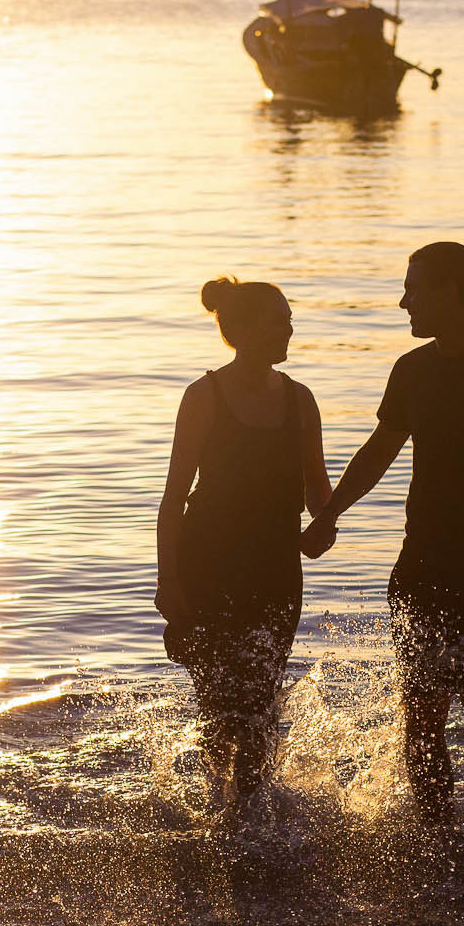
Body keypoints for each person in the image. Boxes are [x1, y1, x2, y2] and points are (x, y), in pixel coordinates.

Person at [301, 243, 464, 823]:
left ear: (451, 291)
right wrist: (330, 513)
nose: (404, 302)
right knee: (420, 708)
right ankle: (435, 830)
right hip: (421, 562)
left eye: (414, 289)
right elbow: (378, 453)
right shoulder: (412, 370)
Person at [158, 278, 333, 814]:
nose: (290, 329)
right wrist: (168, 581)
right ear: (247, 329)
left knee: (259, 699)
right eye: (280, 319)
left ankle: (252, 820)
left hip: (275, 570)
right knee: (218, 703)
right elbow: (173, 497)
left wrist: (325, 523)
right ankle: (220, 810)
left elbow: (316, 486)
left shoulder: (300, 400)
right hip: (207, 566)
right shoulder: (204, 396)